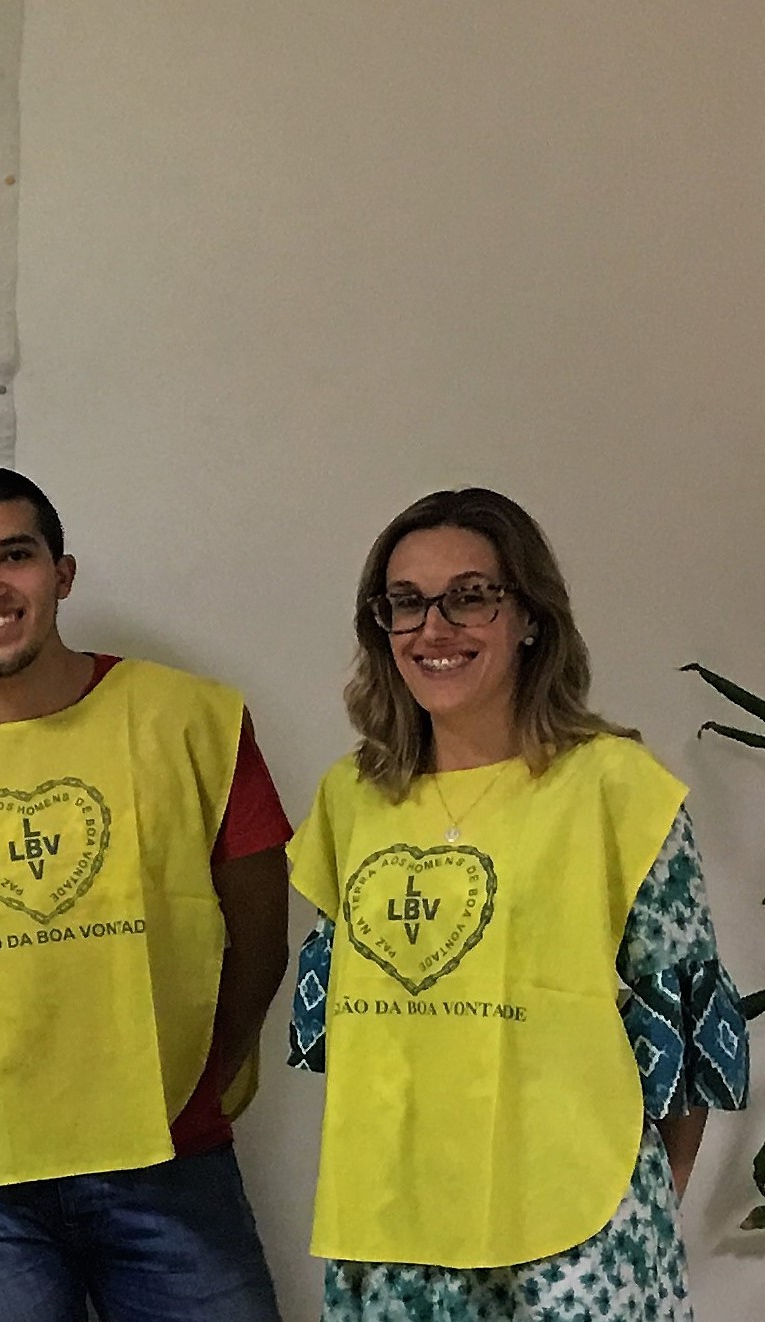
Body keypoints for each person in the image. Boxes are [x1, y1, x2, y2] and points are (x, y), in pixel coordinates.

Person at [287, 487, 749, 1319]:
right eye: (406, 602)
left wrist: (634, 1216)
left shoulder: (616, 788)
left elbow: (682, 1048)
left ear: (530, 616)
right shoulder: (351, 799)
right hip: (391, 1234)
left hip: (573, 1237)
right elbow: (348, 1040)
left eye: (470, 597)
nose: (434, 628)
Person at [0, 466, 286, 1321]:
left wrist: (194, 1083)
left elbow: (262, 936)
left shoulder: (191, 720)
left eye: (14, 556)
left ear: (62, 573)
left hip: (169, 1157)